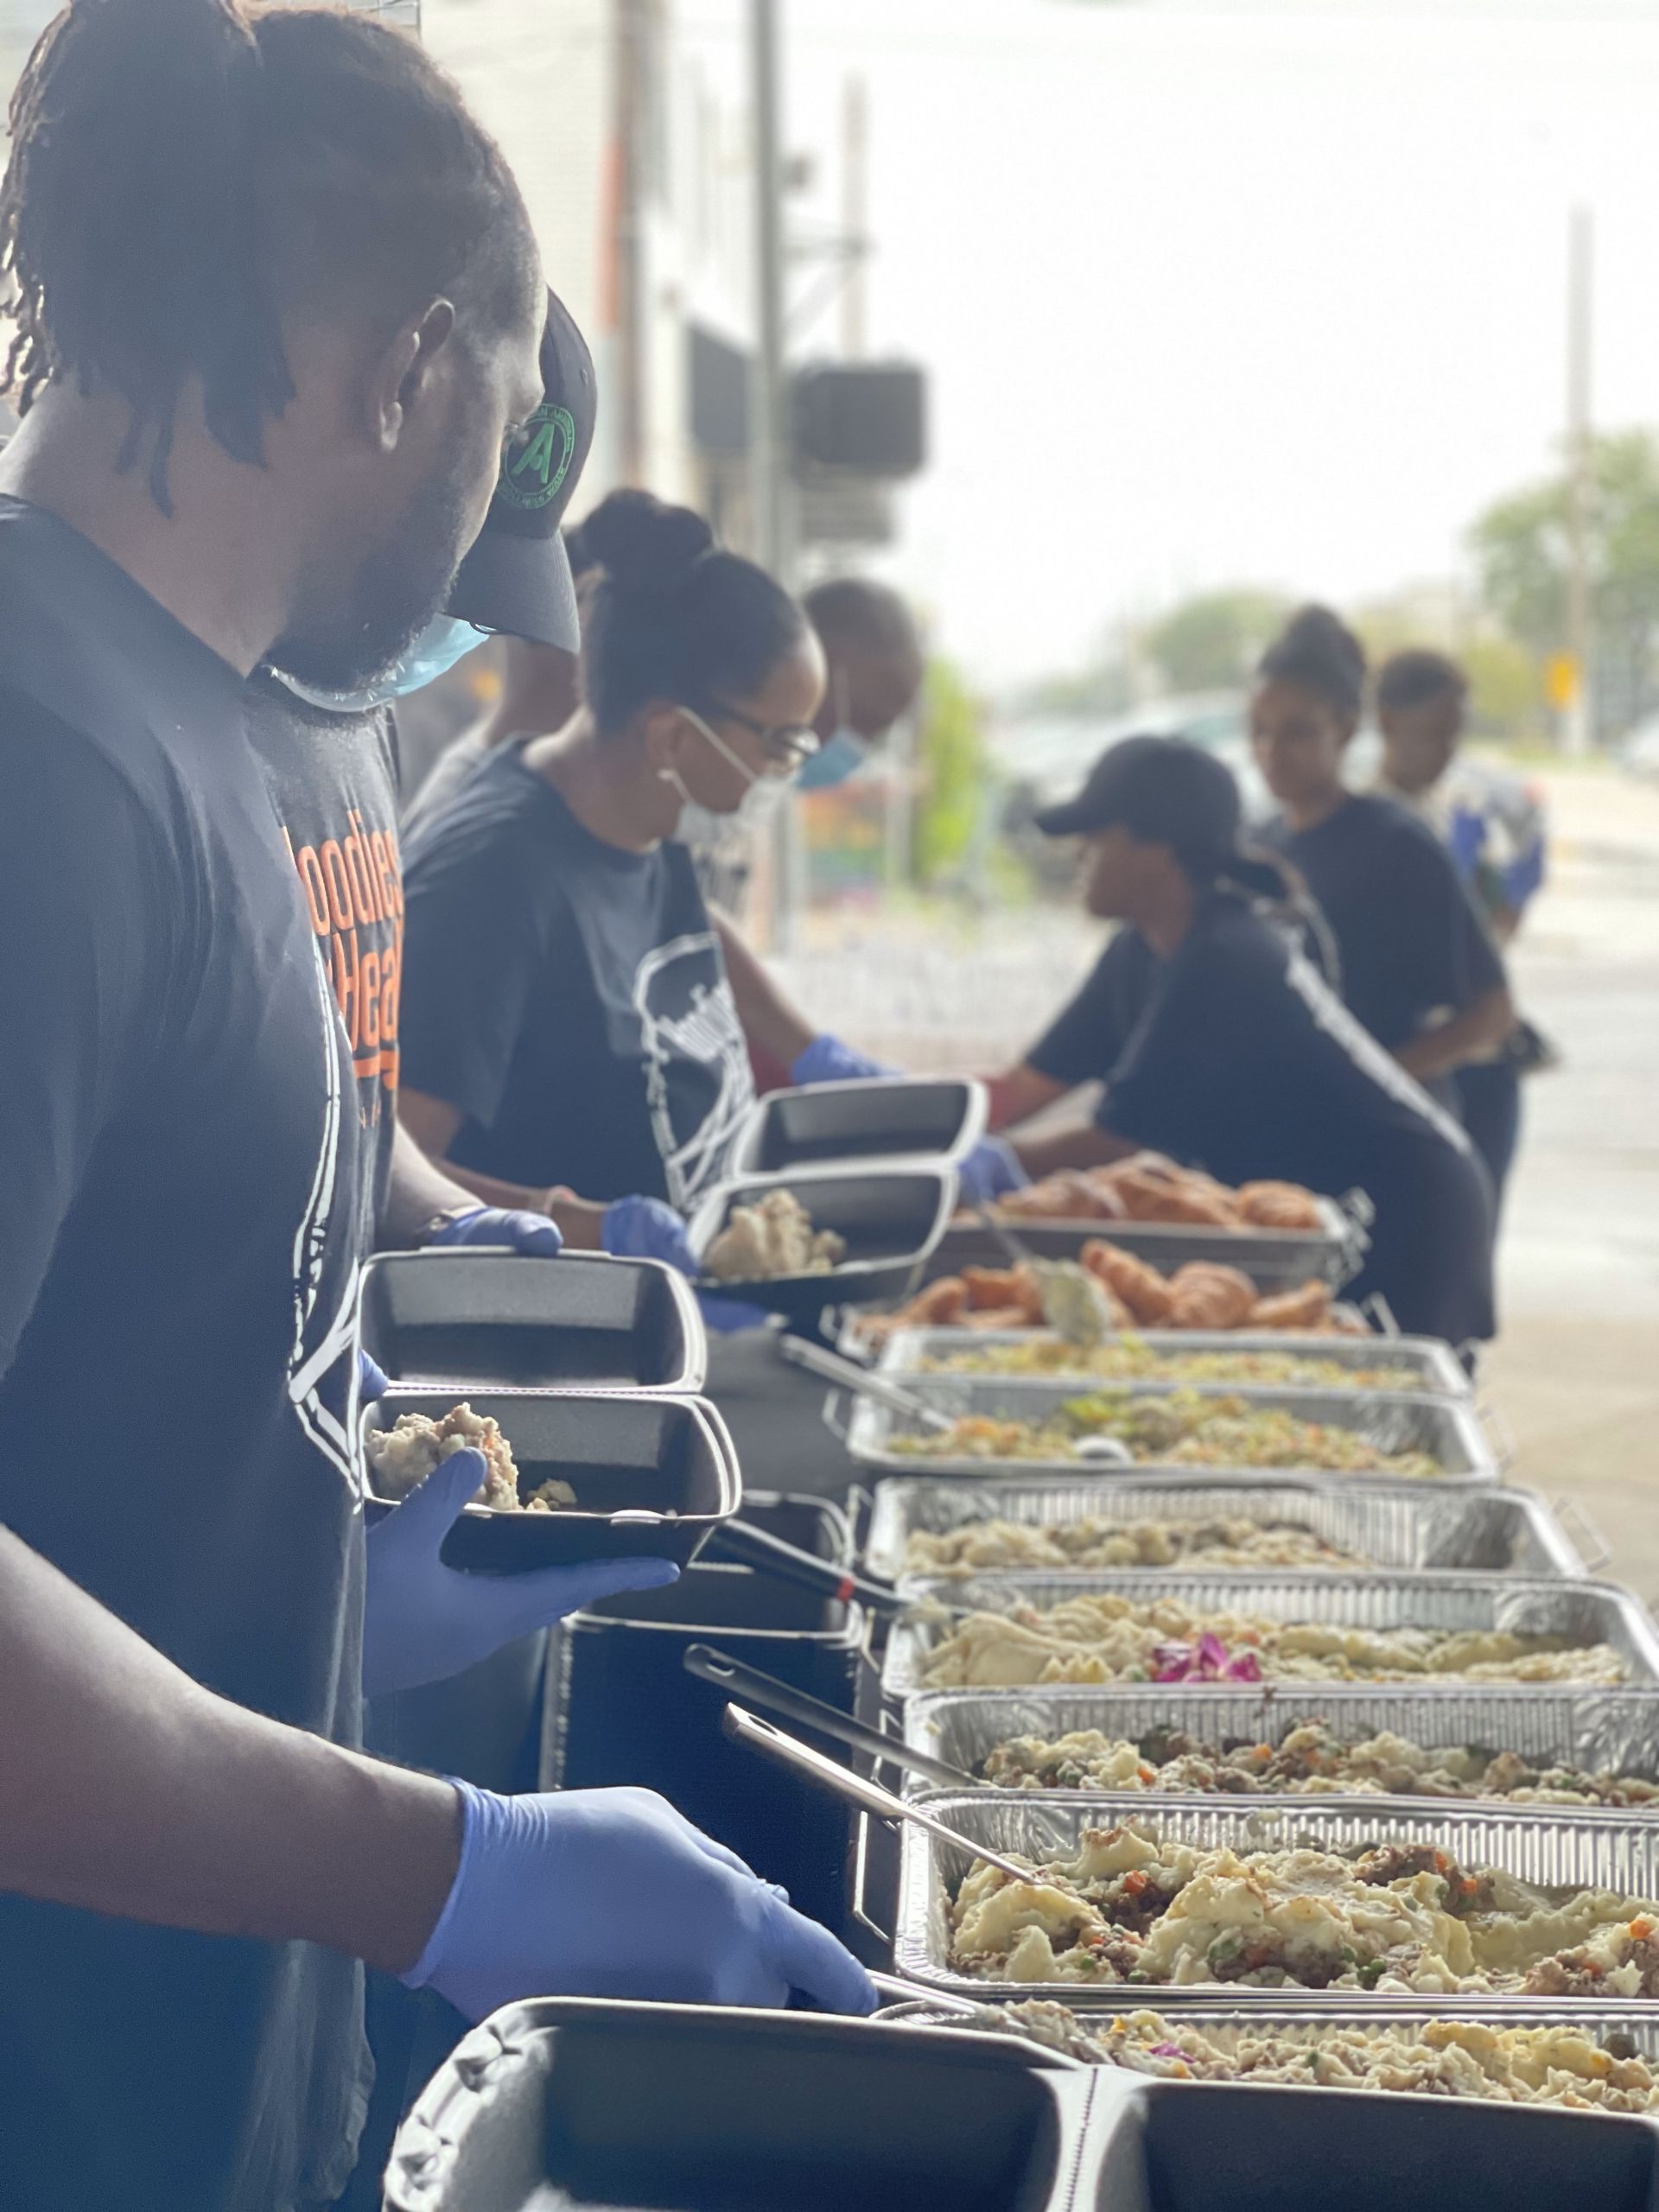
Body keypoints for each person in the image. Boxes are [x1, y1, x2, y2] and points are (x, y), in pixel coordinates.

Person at [0, 8, 869, 2209]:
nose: (502, 508)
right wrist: (447, 1860)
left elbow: (232, 1130)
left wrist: (455, 1263)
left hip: (219, 2028)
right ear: (407, 370)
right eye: (498, 413)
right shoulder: (38, 757)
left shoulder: (214, 711)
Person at [986, 738, 1497, 1346]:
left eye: (1096, 836)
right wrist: (920, 1126)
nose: (1079, 855)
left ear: (1159, 846)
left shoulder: (1226, 956)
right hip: (1313, 1224)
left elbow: (1115, 1144)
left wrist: (981, 1176)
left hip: (1404, 1214)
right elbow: (1023, 1088)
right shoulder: (1141, 950)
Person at [1249, 607, 1516, 1109]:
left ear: (1346, 730)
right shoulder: (1256, 845)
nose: (1271, 751)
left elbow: (1491, 1011)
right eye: (1259, 730)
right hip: (1296, 1123)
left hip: (1389, 1129)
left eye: (1297, 732)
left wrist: (1369, 1080)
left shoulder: (1396, 842)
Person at [1375, 647, 1549, 1214]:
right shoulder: (1364, 826)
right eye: (1431, 736)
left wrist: (1512, 896)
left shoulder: (1455, 811)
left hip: (1484, 1063)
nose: (1446, 754)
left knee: (1476, 1233)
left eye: (1454, 737)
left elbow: (1487, 942)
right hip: (1412, 1067)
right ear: (1386, 723)